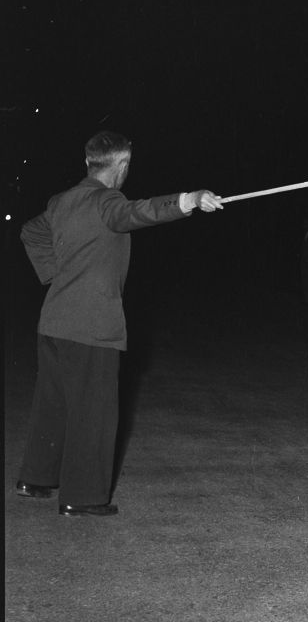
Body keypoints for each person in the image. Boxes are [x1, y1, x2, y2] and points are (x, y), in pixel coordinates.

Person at [15, 130, 223, 517]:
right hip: (92, 327)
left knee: (53, 405)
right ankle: (82, 497)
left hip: (54, 322)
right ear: (123, 165)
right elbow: (139, 213)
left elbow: (31, 231)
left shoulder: (61, 201)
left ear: (88, 162)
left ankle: (36, 479)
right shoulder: (108, 201)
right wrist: (189, 200)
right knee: (93, 412)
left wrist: (56, 275)